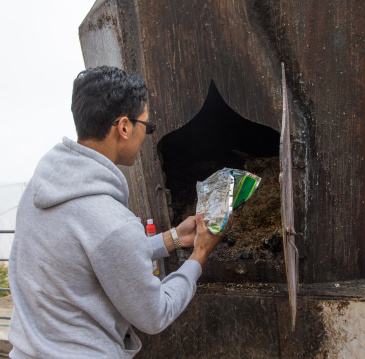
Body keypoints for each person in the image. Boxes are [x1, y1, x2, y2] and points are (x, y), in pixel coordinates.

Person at [8, 66, 225, 358]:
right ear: (124, 127)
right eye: (148, 127)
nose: (147, 135)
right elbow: (155, 314)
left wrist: (171, 238)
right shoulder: (110, 220)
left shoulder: (39, 187)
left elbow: (95, 253)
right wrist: (200, 253)